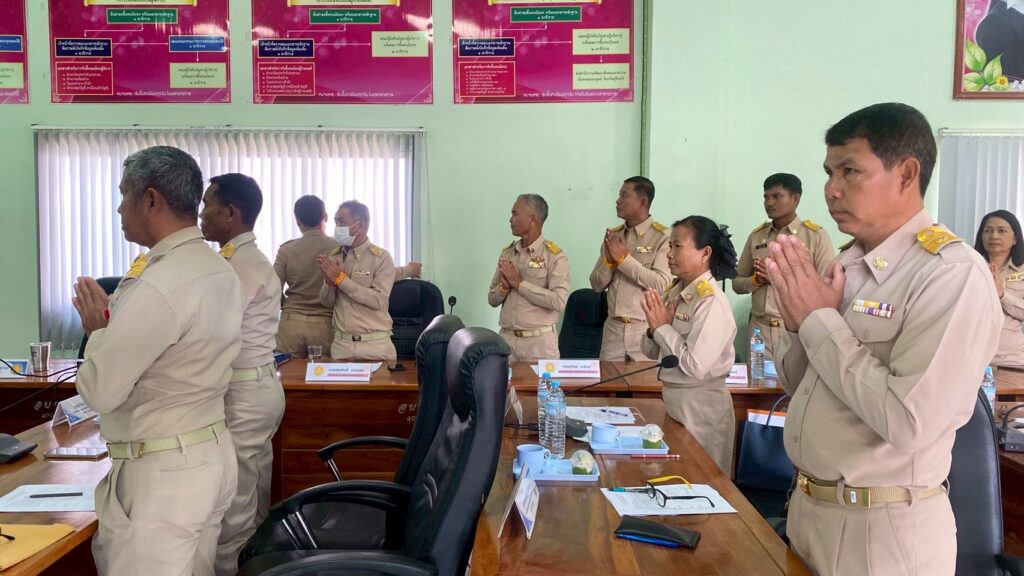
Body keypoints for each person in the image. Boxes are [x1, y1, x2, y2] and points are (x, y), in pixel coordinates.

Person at [766, 103, 1001, 576]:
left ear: (906, 174)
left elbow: (910, 421)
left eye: (850, 171)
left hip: (882, 529)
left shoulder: (949, 274)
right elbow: (800, 387)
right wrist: (798, 325)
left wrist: (818, 320)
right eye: (829, 172)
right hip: (810, 509)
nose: (831, 189)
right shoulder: (846, 266)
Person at [72, 146, 241, 576]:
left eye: (123, 194)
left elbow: (100, 392)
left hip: (163, 475)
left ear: (151, 199)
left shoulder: (160, 284)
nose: (118, 208)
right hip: (206, 455)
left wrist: (97, 331)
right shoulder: (215, 267)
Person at [199, 173, 287, 576]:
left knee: (233, 510)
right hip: (255, 388)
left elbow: (212, 333)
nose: (201, 214)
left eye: (207, 205)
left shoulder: (238, 266)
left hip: (244, 395)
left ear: (231, 213)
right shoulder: (242, 259)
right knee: (252, 499)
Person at [639, 216, 738, 474]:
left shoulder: (710, 301)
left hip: (700, 408)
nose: (669, 254)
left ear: (705, 253)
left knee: (701, 482)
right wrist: (654, 329)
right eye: (669, 246)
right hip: (673, 401)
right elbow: (650, 351)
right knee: (673, 480)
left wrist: (663, 328)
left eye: (677, 246)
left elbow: (695, 365)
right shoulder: (675, 292)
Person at [732, 173, 833, 359]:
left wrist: (779, 279)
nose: (769, 203)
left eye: (777, 196)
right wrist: (755, 280)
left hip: (796, 329)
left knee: (794, 377)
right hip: (760, 329)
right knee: (758, 378)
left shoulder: (815, 236)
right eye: (766, 197)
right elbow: (737, 283)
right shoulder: (757, 236)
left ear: (795, 198)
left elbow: (825, 288)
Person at [589, 176, 672, 361]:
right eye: (619, 195)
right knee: (608, 380)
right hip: (613, 329)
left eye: (624, 195)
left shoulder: (663, 237)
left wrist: (623, 260)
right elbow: (596, 285)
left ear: (643, 202)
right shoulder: (614, 236)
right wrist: (610, 262)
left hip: (645, 328)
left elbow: (662, 284)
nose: (618, 201)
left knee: (644, 380)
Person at [487, 194, 569, 361]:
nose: (510, 219)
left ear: (532, 219)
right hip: (507, 341)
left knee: (542, 381)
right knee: (502, 380)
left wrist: (520, 284)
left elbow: (558, 301)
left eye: (515, 214)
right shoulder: (508, 253)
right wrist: (504, 288)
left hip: (540, 344)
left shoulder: (554, 256)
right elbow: (492, 299)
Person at [318, 200, 397, 362]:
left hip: (375, 345)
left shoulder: (381, 258)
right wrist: (330, 284)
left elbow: (378, 300)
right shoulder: (335, 256)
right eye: (335, 222)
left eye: (341, 222)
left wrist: (341, 279)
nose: (337, 227)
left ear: (359, 225)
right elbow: (326, 302)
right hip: (342, 345)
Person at [274, 195, 338, 358]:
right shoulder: (338, 248)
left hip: (291, 324)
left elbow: (273, 289)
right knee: (322, 373)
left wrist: (287, 307)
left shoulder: (286, 250)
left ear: (297, 221)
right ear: (325, 216)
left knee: (287, 372)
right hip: (325, 325)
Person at [975, 209, 1024, 367]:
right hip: (972, 356)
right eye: (988, 231)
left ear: (1015, 238)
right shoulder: (969, 267)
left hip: (1011, 359)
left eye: (1002, 231)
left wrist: (1001, 294)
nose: (994, 236)